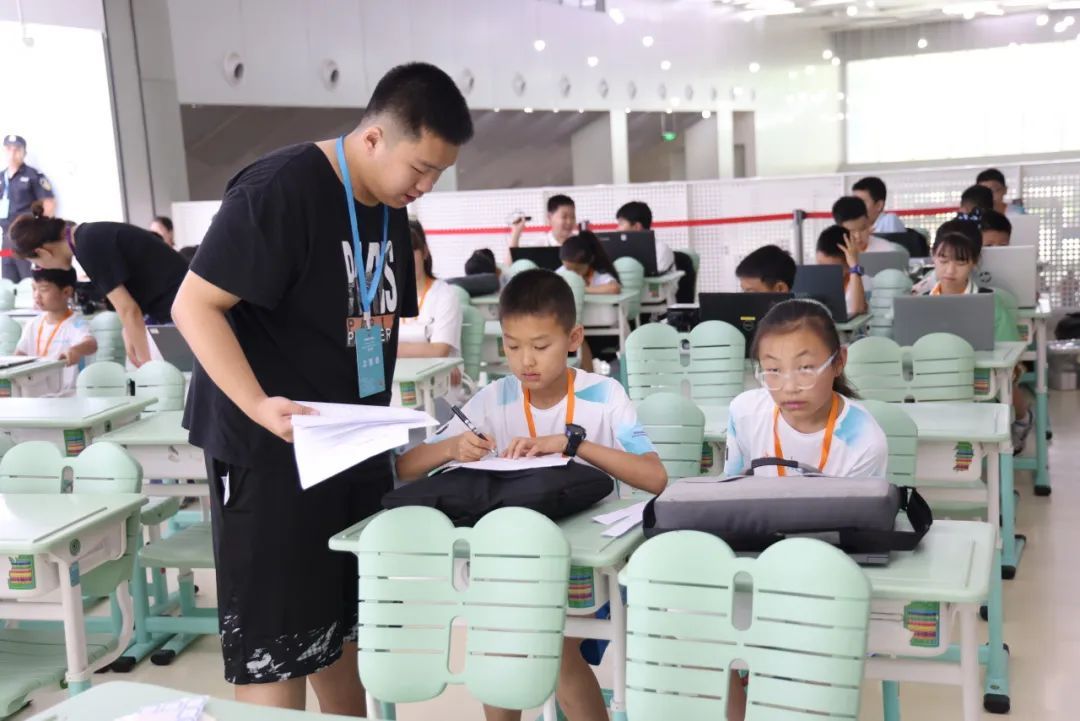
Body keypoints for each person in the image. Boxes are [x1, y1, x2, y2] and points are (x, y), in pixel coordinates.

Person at [169, 62, 473, 712]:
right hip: (271, 451)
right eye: (420, 168)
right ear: (374, 138)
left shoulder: (388, 209)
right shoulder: (280, 188)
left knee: (343, 630)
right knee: (276, 641)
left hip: (349, 446)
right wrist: (257, 404)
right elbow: (192, 305)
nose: (425, 187)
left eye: (437, 175)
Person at [396, 268, 666, 721]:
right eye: (512, 346)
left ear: (574, 338)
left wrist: (574, 444)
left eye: (541, 347)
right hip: (510, 561)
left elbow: (655, 478)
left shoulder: (604, 394)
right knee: (500, 644)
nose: (526, 361)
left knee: (548, 645)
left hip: (586, 563)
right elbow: (406, 468)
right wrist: (453, 447)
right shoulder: (495, 397)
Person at [720, 297, 887, 721]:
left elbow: (850, 541)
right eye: (772, 370)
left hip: (826, 576)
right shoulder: (746, 411)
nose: (788, 386)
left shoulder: (863, 440)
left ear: (838, 362)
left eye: (806, 367)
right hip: (753, 565)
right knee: (705, 644)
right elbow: (730, 494)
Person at [8, 202, 188, 367]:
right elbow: (130, 300)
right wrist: (128, 331)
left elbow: (129, 309)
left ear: (43, 252)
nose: (42, 267)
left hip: (182, 306)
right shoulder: (87, 237)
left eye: (37, 263)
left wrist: (148, 367)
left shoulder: (88, 246)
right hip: (177, 304)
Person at [920, 228, 1032, 450]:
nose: (950, 270)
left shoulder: (990, 302)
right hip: (936, 377)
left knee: (1007, 377)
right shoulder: (921, 302)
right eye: (943, 260)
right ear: (933, 258)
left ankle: (1022, 418)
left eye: (960, 263)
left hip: (983, 375)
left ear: (973, 263)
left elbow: (1011, 353)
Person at [13, 267, 97, 395]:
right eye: (34, 289)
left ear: (66, 292)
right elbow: (18, 356)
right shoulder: (32, 324)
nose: (36, 295)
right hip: (32, 396)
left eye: (43, 289)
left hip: (65, 397)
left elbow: (91, 344)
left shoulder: (76, 324)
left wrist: (76, 350)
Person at [398, 220, 463, 359]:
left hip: (438, 372)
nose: (405, 259)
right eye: (399, 253)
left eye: (411, 251)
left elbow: (439, 351)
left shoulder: (445, 295)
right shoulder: (388, 299)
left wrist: (389, 350)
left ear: (425, 252)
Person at [1, 135, 55, 282]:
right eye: (9, 149)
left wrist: (40, 233)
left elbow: (49, 204)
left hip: (26, 238)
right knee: (8, 279)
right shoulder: (1, 177)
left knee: (29, 280)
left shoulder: (33, 175)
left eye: (17, 149)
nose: (12, 153)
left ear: (24, 152)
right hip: (6, 239)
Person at [816, 225, 867, 316]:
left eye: (831, 269)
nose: (823, 273)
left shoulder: (861, 281)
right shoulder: (813, 280)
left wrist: (854, 266)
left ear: (848, 265)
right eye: (820, 265)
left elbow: (857, 311)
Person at [615, 200, 675, 274]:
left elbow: (654, 279)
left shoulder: (660, 250)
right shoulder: (621, 251)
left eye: (621, 223)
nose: (617, 229)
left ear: (637, 227)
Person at [832, 196, 896, 254]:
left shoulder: (886, 250)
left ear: (868, 223)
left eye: (862, 229)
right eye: (852, 231)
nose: (858, 236)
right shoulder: (832, 254)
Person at [509, 194, 576, 249]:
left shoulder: (579, 244)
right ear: (549, 218)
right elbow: (513, 261)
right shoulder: (539, 246)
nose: (569, 222)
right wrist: (515, 234)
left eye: (573, 217)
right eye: (564, 217)